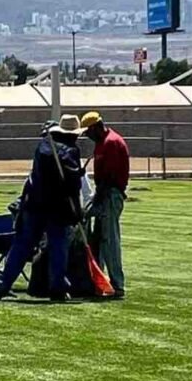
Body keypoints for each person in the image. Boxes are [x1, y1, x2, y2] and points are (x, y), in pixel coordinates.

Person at [0, 116, 85, 302]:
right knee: (58, 247)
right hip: (57, 208)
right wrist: (76, 205)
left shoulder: (43, 147)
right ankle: (58, 288)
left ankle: (2, 285)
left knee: (21, 246)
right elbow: (71, 184)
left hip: (34, 205)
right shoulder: (70, 151)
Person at [81, 111, 129, 298]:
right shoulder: (101, 143)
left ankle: (117, 285)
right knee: (97, 242)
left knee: (109, 241)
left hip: (110, 195)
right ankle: (99, 282)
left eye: (88, 132)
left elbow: (109, 177)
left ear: (95, 127)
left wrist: (96, 199)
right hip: (103, 193)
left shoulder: (111, 143)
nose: (88, 137)